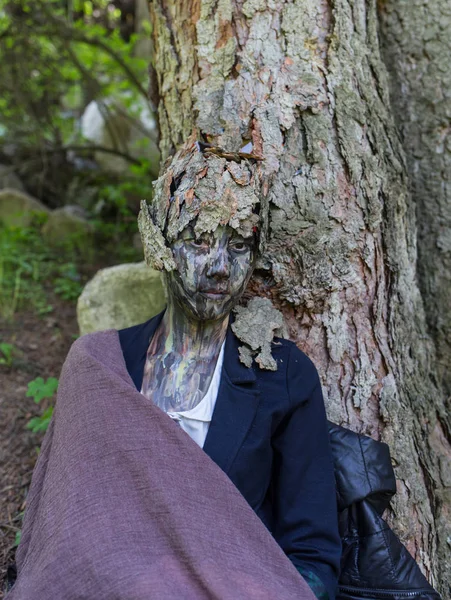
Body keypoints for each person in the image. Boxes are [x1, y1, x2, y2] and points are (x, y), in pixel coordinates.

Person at [7, 138, 341, 600]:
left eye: (239, 245)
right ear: (159, 243)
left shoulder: (282, 375)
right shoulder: (98, 368)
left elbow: (314, 555)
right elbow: (65, 537)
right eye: (200, 242)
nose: (221, 267)